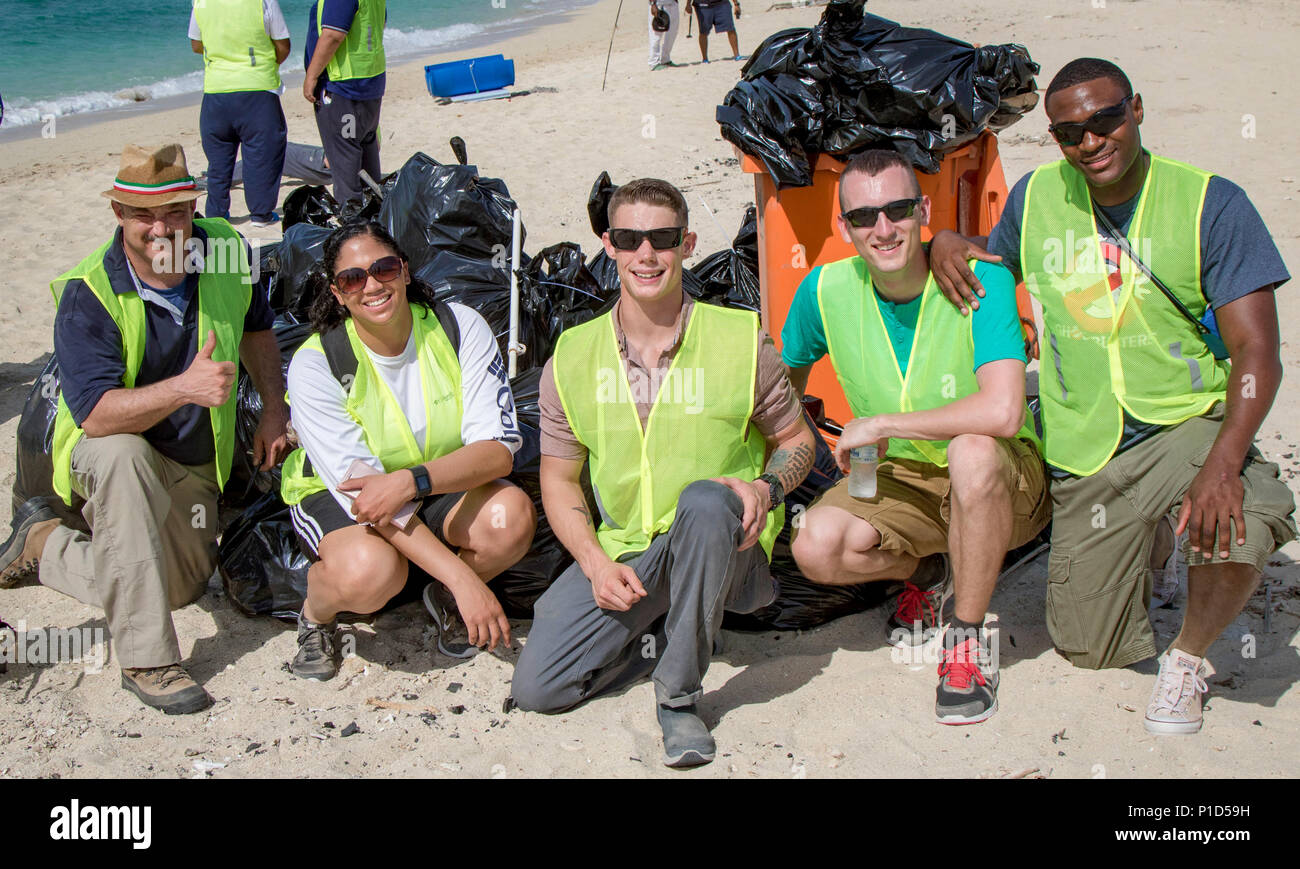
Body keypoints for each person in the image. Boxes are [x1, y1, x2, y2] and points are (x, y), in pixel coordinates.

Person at [929, 58, 1296, 735]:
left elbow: (1257, 353)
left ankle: (1187, 657)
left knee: (1241, 519)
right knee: (1088, 646)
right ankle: (1154, 541)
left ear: (1136, 110)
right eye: (1071, 133)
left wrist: (1222, 465)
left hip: (1185, 424)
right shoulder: (1038, 196)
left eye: (1106, 120)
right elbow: (1000, 255)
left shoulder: (1212, 201)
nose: (1091, 142)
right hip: (1088, 447)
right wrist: (948, 240)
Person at [511, 179, 815, 767]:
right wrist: (596, 564)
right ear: (610, 246)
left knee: (703, 503)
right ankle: (663, 626)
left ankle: (677, 699)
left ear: (687, 243)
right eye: (629, 238)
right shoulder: (572, 356)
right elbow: (558, 479)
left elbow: (796, 441)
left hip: (726, 547)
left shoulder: (739, 340)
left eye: (663, 238)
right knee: (538, 689)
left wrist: (764, 488)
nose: (646, 254)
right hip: (629, 553)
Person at [0, 143, 290, 714]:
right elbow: (97, 416)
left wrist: (276, 410)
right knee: (120, 454)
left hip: (193, 463)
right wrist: (185, 386)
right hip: (111, 455)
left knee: (175, 587)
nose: (161, 229)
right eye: (143, 215)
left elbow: (258, 329)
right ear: (119, 215)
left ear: (194, 208)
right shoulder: (90, 293)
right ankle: (148, 660)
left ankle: (44, 544)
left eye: (175, 213)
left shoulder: (227, 249)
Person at [782, 150, 1049, 725]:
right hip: (901, 480)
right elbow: (783, 394)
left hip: (1000, 474)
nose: (883, 229)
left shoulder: (983, 280)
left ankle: (967, 636)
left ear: (924, 209)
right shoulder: (824, 289)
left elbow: (1003, 411)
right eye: (864, 216)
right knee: (815, 545)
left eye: (899, 209)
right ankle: (929, 572)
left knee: (972, 449)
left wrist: (881, 425)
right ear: (842, 225)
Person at [279, 221, 535, 681]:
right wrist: (466, 580)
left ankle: (440, 598)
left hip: (430, 482)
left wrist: (410, 481)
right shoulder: (318, 364)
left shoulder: (458, 326)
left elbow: (497, 452)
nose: (372, 285)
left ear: (406, 272)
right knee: (370, 573)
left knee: (509, 517)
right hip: (345, 496)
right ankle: (315, 616)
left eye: (384, 268)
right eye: (353, 279)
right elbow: (366, 499)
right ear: (337, 294)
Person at [189, 0, 291, 227]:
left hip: (217, 91)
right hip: (257, 89)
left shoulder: (201, 1)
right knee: (263, 154)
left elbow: (196, 44)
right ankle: (261, 213)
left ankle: (217, 214)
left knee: (218, 159)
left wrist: (224, 50)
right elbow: (283, 44)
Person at [303, 0, 385, 207]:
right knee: (366, 154)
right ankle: (375, 215)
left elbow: (333, 34)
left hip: (343, 85)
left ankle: (353, 219)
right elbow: (378, 23)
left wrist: (312, 76)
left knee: (345, 160)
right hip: (369, 80)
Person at [648, 0, 681, 71]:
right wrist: (653, 4)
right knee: (656, 35)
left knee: (673, 32)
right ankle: (653, 63)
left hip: (673, 4)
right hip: (658, 4)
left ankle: (665, 59)